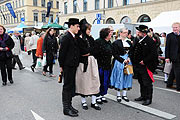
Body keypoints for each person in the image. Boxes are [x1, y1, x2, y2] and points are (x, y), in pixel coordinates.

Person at [75, 19, 101, 110]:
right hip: (83, 63)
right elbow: (82, 52)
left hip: (92, 62)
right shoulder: (79, 39)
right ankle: (84, 102)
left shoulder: (91, 38)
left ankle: (94, 102)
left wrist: (89, 51)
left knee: (94, 81)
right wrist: (90, 51)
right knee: (84, 82)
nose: (90, 31)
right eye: (88, 29)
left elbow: (96, 50)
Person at [58, 18, 80, 117]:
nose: (78, 28)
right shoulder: (66, 37)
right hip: (67, 66)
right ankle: (66, 108)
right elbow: (61, 54)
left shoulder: (73, 36)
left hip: (73, 65)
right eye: (77, 26)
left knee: (71, 86)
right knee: (67, 87)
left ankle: (70, 106)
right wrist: (61, 66)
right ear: (71, 26)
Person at [133, 25, 157, 106]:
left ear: (143, 33)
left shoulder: (150, 41)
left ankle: (148, 98)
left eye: (139, 32)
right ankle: (143, 96)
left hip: (146, 65)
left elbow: (153, 54)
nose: (138, 33)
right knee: (141, 81)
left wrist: (145, 61)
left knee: (147, 83)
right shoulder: (138, 40)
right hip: (138, 65)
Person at [110, 28, 133, 103]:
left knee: (127, 76)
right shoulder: (116, 43)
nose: (126, 34)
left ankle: (124, 94)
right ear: (120, 33)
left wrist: (129, 58)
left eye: (127, 32)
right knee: (119, 77)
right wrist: (123, 60)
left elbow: (131, 52)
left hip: (128, 61)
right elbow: (115, 54)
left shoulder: (129, 42)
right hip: (120, 61)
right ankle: (118, 95)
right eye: (125, 32)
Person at [95, 28, 113, 104]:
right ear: (105, 34)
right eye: (110, 33)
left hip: (107, 65)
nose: (111, 34)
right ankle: (97, 95)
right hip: (100, 65)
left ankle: (103, 94)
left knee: (105, 81)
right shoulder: (98, 42)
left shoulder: (109, 42)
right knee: (99, 80)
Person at [165, 22, 180, 92]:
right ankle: (178, 87)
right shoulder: (169, 35)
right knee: (178, 71)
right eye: (173, 28)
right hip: (174, 56)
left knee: (173, 70)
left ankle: (169, 83)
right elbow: (167, 47)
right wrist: (167, 57)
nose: (174, 29)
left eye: (176, 27)